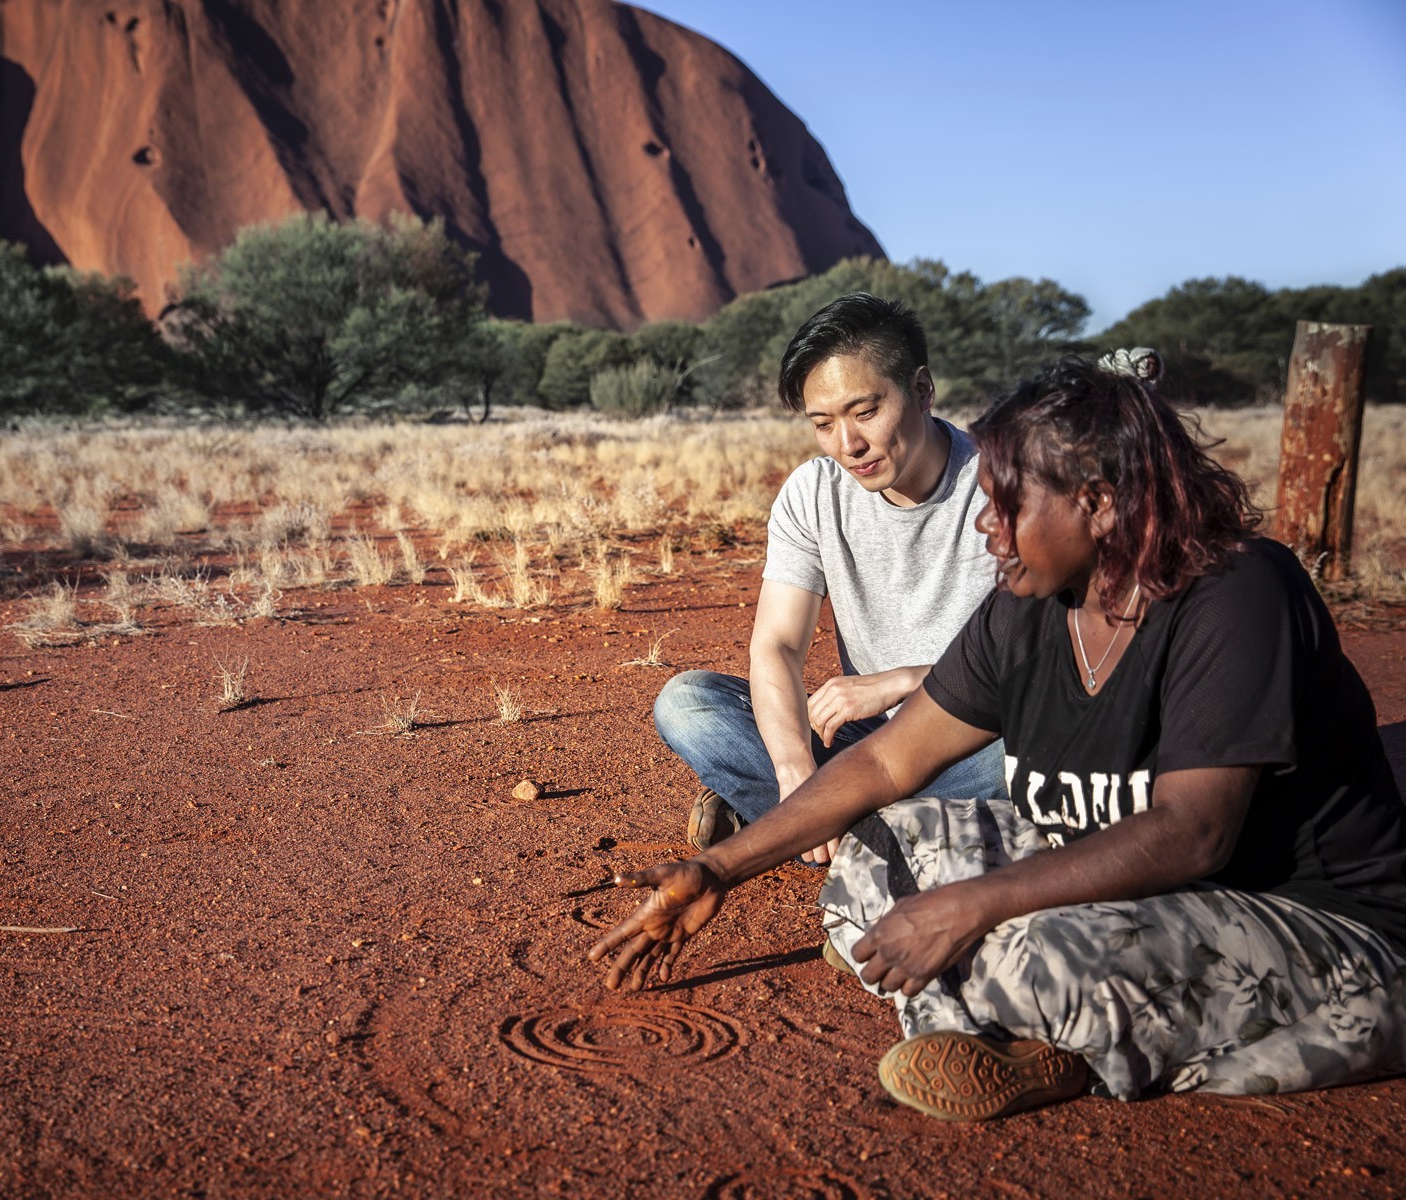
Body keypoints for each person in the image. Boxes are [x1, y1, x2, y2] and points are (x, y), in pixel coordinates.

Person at [591, 358, 1406, 1120]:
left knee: (1020, 947)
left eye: (1008, 502)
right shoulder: (1032, 605)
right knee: (875, 848)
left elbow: (1194, 832)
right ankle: (1026, 1025)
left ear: (1100, 502)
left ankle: (1046, 1036)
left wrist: (965, 905)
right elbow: (885, 758)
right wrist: (716, 869)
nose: (987, 527)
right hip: (1146, 889)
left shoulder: (1236, 591)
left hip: (1314, 920)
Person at [654, 293, 1005, 862]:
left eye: (865, 412)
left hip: (970, 737)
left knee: (1025, 752)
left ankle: (820, 825)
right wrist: (795, 769)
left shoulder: (1003, 484)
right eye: (824, 423)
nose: (849, 445)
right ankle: (874, 827)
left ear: (921, 390)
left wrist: (908, 679)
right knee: (688, 704)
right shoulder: (813, 492)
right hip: (864, 746)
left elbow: (1050, 664)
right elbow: (779, 644)